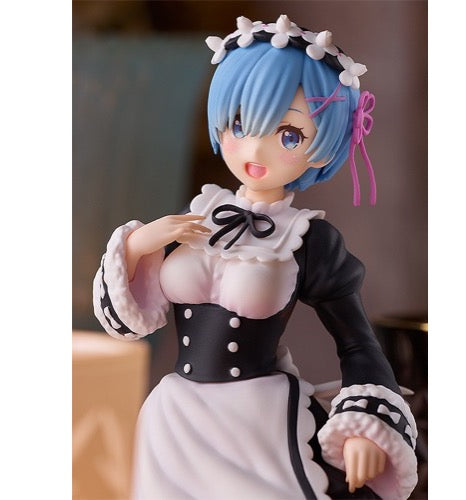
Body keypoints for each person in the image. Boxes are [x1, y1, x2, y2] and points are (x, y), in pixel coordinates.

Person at [93, 15, 418, 500]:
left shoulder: (309, 240)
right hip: (174, 419)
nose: (254, 150)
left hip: (256, 423)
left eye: (289, 135)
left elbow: (357, 344)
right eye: (241, 124)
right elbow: (128, 323)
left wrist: (364, 428)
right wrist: (139, 246)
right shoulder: (194, 218)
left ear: (321, 146)